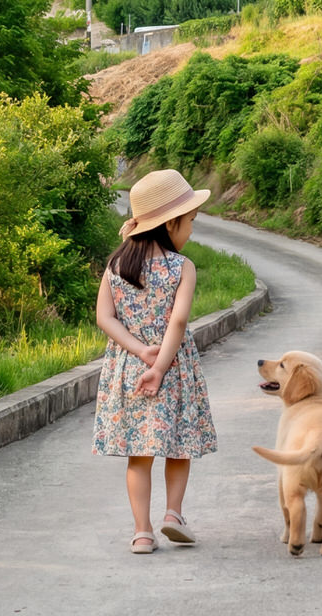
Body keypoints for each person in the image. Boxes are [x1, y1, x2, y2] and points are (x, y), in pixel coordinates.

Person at [93, 168, 220, 554]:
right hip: (173, 367)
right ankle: (173, 515)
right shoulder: (182, 267)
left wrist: (139, 350)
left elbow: (104, 318)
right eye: (191, 221)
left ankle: (142, 532)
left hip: (130, 369)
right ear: (170, 223)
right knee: (179, 446)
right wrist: (161, 364)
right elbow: (178, 321)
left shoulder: (116, 265)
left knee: (139, 453)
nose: (192, 230)